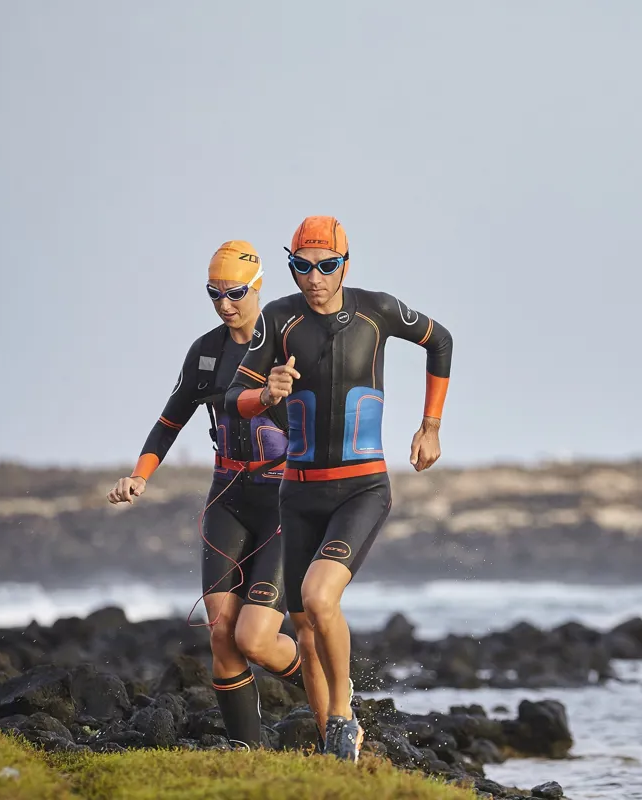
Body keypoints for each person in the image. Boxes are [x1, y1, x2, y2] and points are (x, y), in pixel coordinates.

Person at [225, 217, 453, 762]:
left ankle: (345, 715)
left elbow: (439, 340)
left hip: (361, 489)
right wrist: (265, 393)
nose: (315, 277)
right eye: (302, 266)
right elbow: (236, 393)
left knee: (318, 596)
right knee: (304, 629)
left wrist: (431, 425)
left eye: (326, 266)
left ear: (345, 264)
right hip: (298, 494)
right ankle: (337, 752)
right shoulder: (278, 318)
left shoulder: (376, 310)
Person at [107, 241, 304, 751]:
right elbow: (171, 419)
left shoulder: (289, 345)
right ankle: (249, 754)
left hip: (284, 499)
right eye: (214, 294)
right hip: (229, 496)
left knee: (256, 639)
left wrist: (278, 397)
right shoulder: (206, 351)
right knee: (221, 635)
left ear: (257, 287)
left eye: (235, 293)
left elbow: (316, 428)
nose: (225, 304)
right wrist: (140, 475)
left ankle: (329, 685)